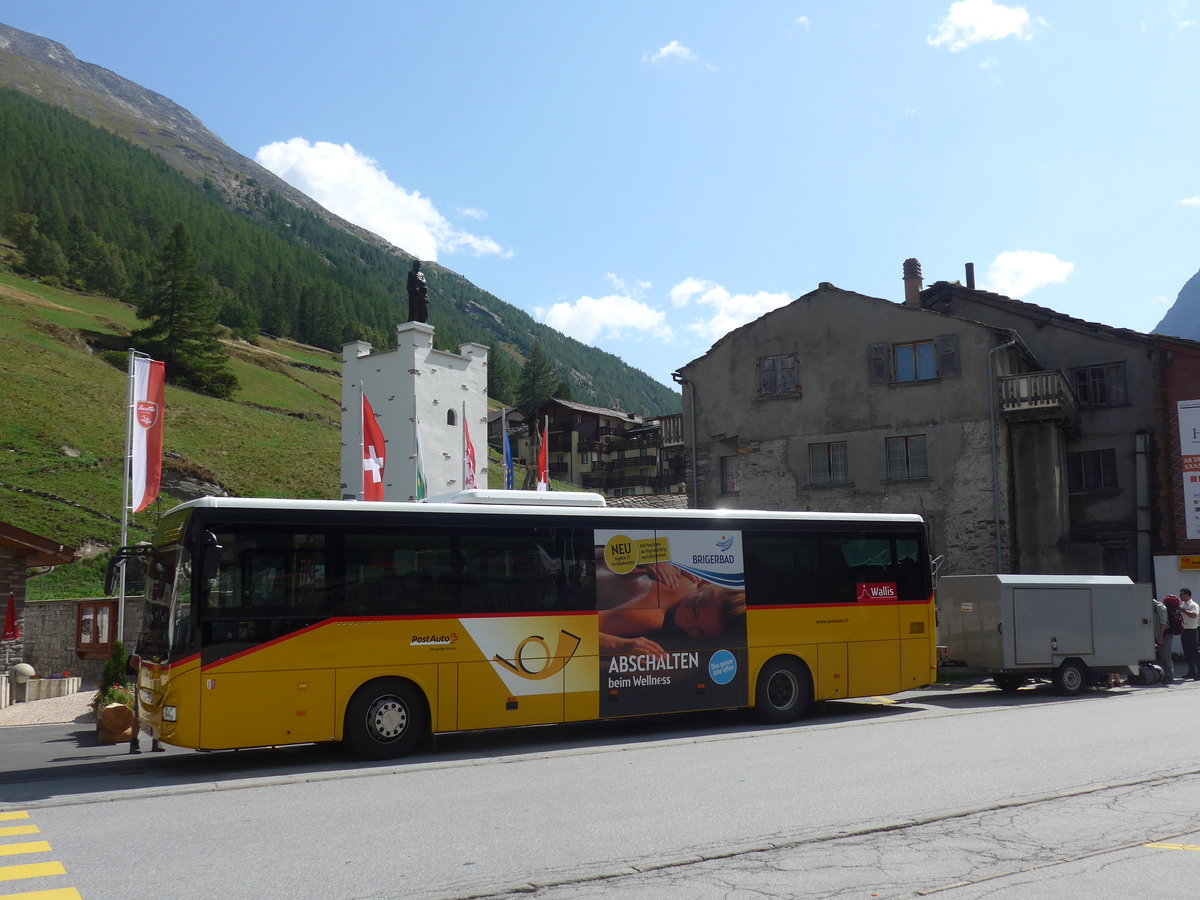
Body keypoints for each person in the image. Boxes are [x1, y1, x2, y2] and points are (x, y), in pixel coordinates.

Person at [598, 562, 746, 656]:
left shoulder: (686, 569)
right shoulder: (650, 617)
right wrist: (618, 645)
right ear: (704, 584)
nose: (688, 624)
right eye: (694, 610)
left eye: (700, 632)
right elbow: (579, 631)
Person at [1157, 594, 1179, 684]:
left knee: (1165, 656)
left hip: (1165, 634)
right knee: (1165, 656)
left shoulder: (1161, 608)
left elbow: (1164, 623)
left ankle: (1169, 677)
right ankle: (1168, 676)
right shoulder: (1168, 608)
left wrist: (1160, 636)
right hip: (1168, 634)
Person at [1181, 588, 1200, 680]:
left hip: (1192, 630)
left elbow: (1194, 615)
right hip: (1184, 630)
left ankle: (1199, 672)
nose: (1181, 596)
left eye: (1182, 594)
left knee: (1195, 652)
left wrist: (1183, 610)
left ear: (1188, 595)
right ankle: (1191, 672)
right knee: (1187, 652)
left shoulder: (1193, 605)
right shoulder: (1182, 605)